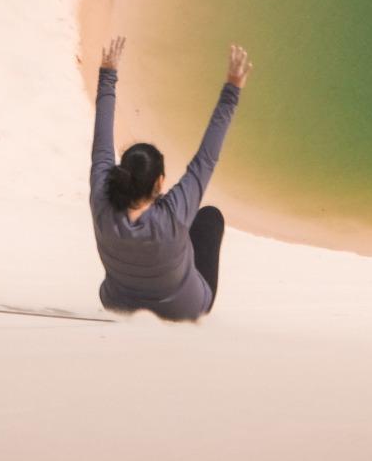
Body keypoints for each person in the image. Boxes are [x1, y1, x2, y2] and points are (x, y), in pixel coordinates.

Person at [89, 36, 251, 322]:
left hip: (117, 303)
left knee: (181, 228)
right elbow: (207, 158)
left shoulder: (101, 197)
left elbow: (102, 143)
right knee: (209, 217)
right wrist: (233, 88)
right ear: (159, 182)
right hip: (186, 309)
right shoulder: (174, 213)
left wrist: (108, 74)